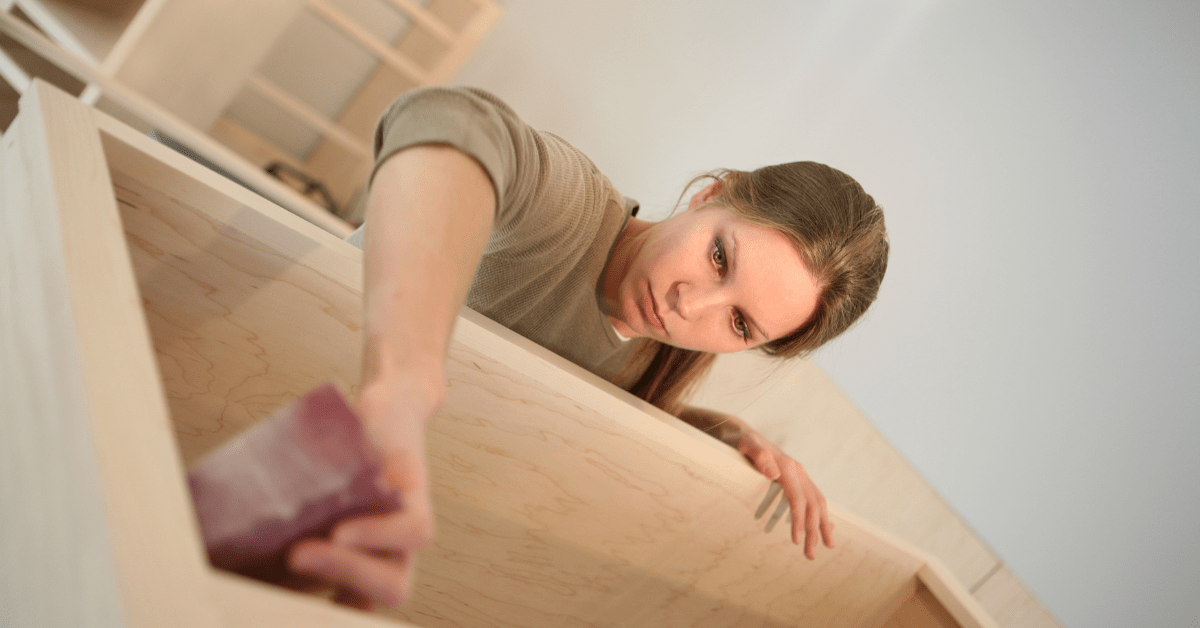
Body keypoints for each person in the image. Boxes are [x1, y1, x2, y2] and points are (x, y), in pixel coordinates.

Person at [286, 86, 889, 609]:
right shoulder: (569, 210)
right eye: (718, 256)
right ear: (708, 197)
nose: (691, 305)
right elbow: (453, 122)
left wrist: (724, 435)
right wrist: (405, 381)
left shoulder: (660, 359)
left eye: (739, 325)